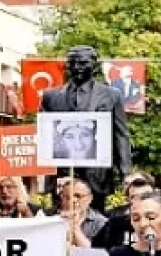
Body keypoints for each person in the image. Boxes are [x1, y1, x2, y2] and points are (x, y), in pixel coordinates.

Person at [39, 45, 133, 211]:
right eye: (72, 63)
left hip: (96, 175)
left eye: (83, 63)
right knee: (61, 218)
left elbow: (120, 135)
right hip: (62, 175)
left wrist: (126, 172)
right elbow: (44, 136)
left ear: (94, 65)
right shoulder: (50, 97)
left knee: (95, 220)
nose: (77, 67)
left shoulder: (111, 95)